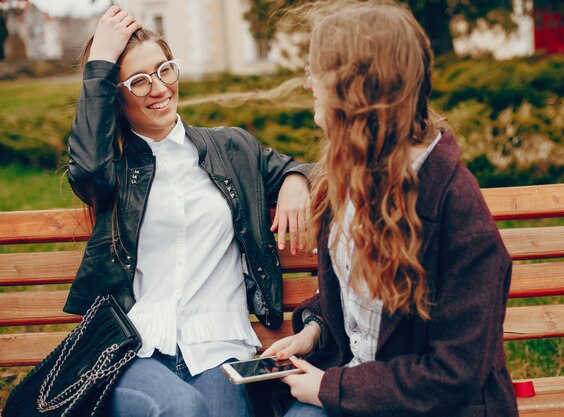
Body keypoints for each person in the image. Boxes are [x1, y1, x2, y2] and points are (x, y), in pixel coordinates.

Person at [262, 1, 519, 416]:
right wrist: (314, 330)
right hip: (351, 389)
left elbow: (453, 374)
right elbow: (356, 308)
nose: (309, 83)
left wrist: (331, 387)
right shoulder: (347, 178)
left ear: (358, 92)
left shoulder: (458, 214)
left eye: (317, 72)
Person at [64, 6, 310, 417]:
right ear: (117, 93)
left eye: (165, 71)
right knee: (181, 407)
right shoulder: (114, 169)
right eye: (139, 81)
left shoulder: (232, 148)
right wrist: (98, 65)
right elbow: (84, 168)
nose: (158, 88)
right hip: (136, 350)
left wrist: (297, 179)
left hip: (221, 348)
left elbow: (320, 170)